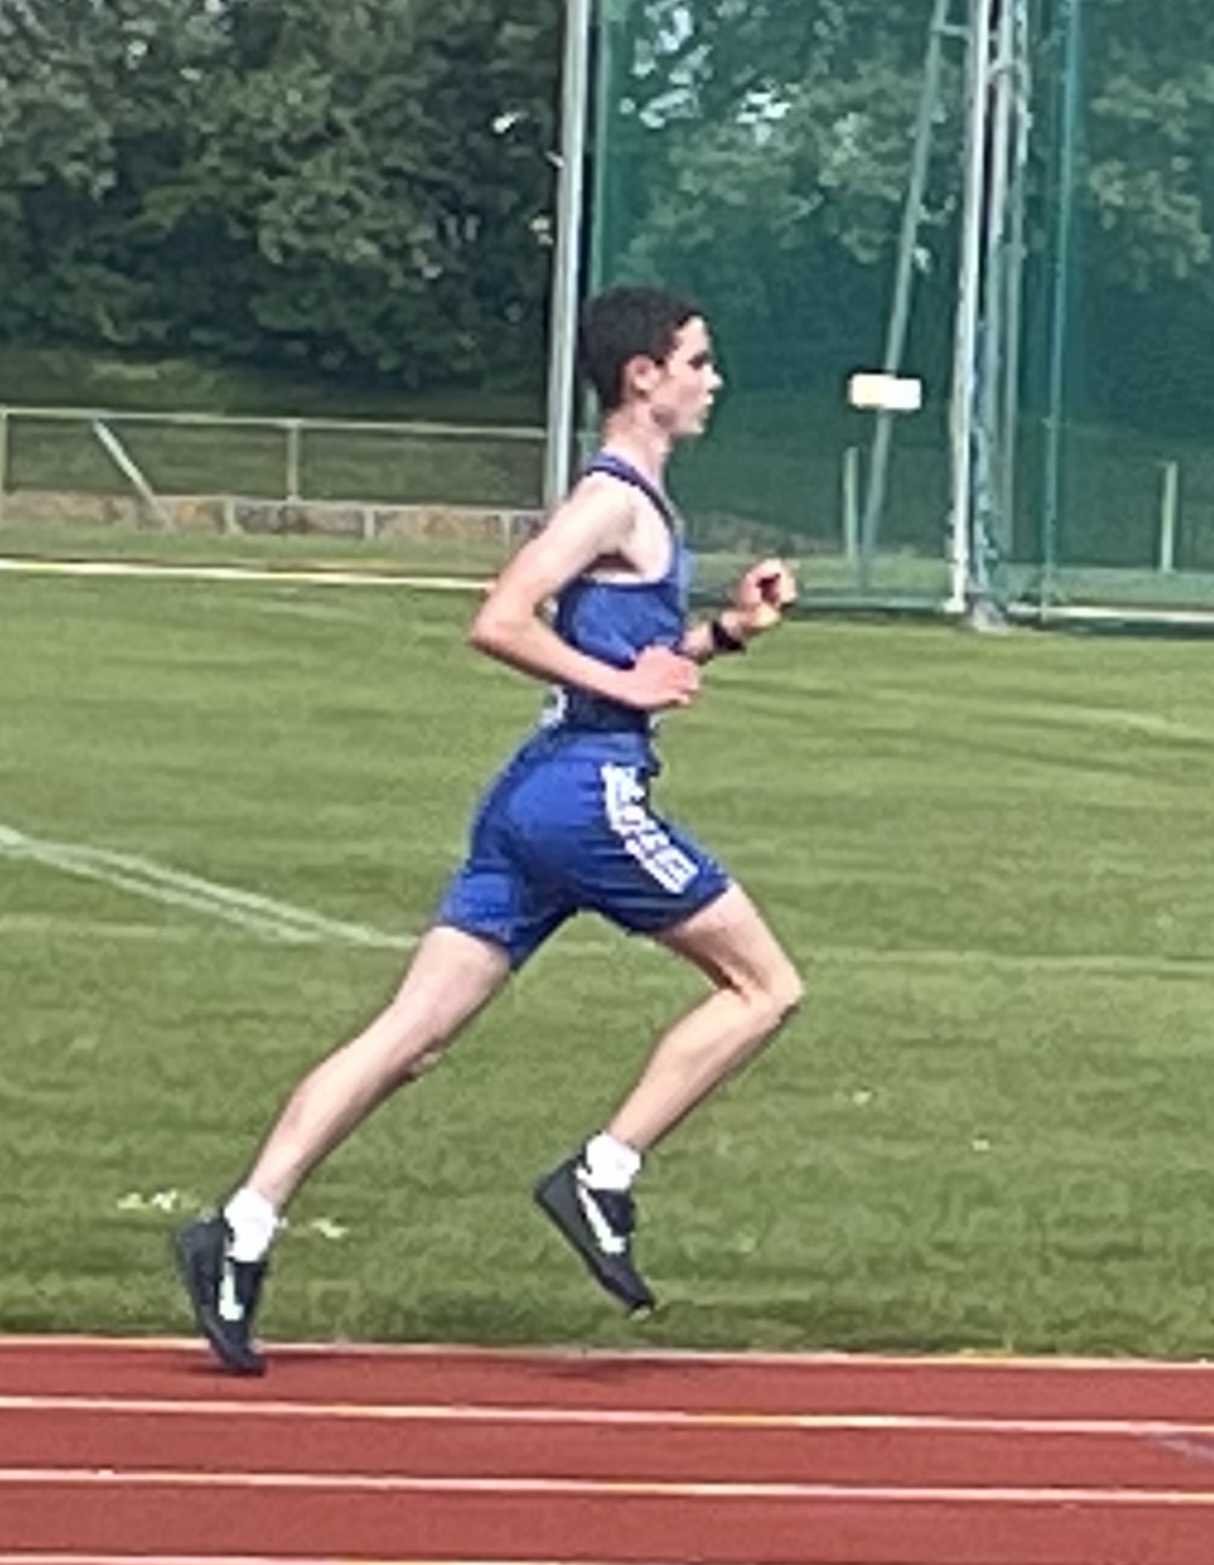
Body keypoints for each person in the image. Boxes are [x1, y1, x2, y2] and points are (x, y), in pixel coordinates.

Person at [174, 283, 804, 1375]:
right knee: (765, 987)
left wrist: (725, 633)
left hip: (533, 800)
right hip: (587, 796)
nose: (713, 380)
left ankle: (239, 1228)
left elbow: (633, 659)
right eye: (697, 360)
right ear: (642, 375)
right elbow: (500, 617)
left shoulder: (638, 500)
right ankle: (602, 1173)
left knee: (410, 1037)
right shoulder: (611, 499)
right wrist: (626, 684)